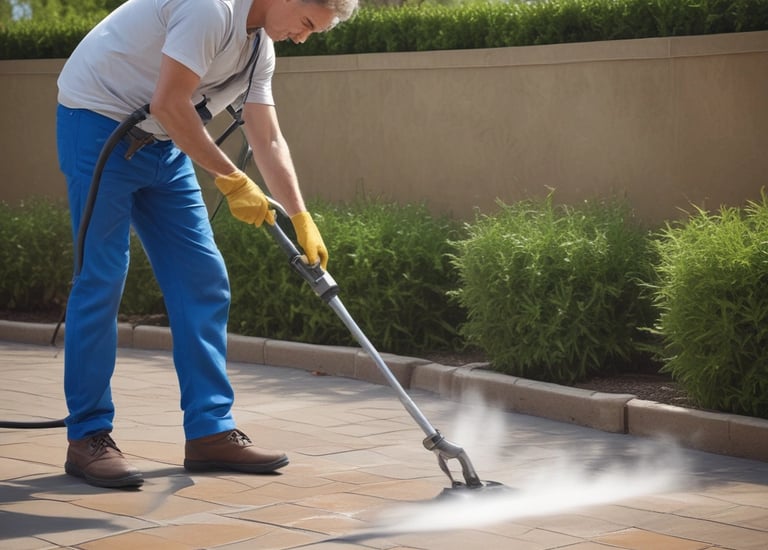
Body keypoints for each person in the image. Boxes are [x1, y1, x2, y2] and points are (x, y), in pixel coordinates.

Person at [55, 0, 357, 489]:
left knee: (203, 278)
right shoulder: (210, 9)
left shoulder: (261, 48)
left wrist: (300, 214)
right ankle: (88, 436)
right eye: (306, 24)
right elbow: (170, 103)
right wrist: (233, 180)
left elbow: (268, 137)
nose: (304, 37)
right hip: (97, 123)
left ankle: (209, 430)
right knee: (102, 278)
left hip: (164, 142)